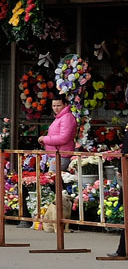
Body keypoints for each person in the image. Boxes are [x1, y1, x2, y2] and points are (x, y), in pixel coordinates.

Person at [38, 97, 78, 231]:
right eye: (53, 105)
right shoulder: (60, 117)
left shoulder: (67, 118)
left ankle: (61, 219)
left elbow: (64, 137)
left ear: (65, 105)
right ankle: (55, 218)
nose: (55, 108)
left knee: (55, 184)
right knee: (54, 183)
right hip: (54, 154)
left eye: (58, 105)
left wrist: (45, 139)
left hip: (61, 154)